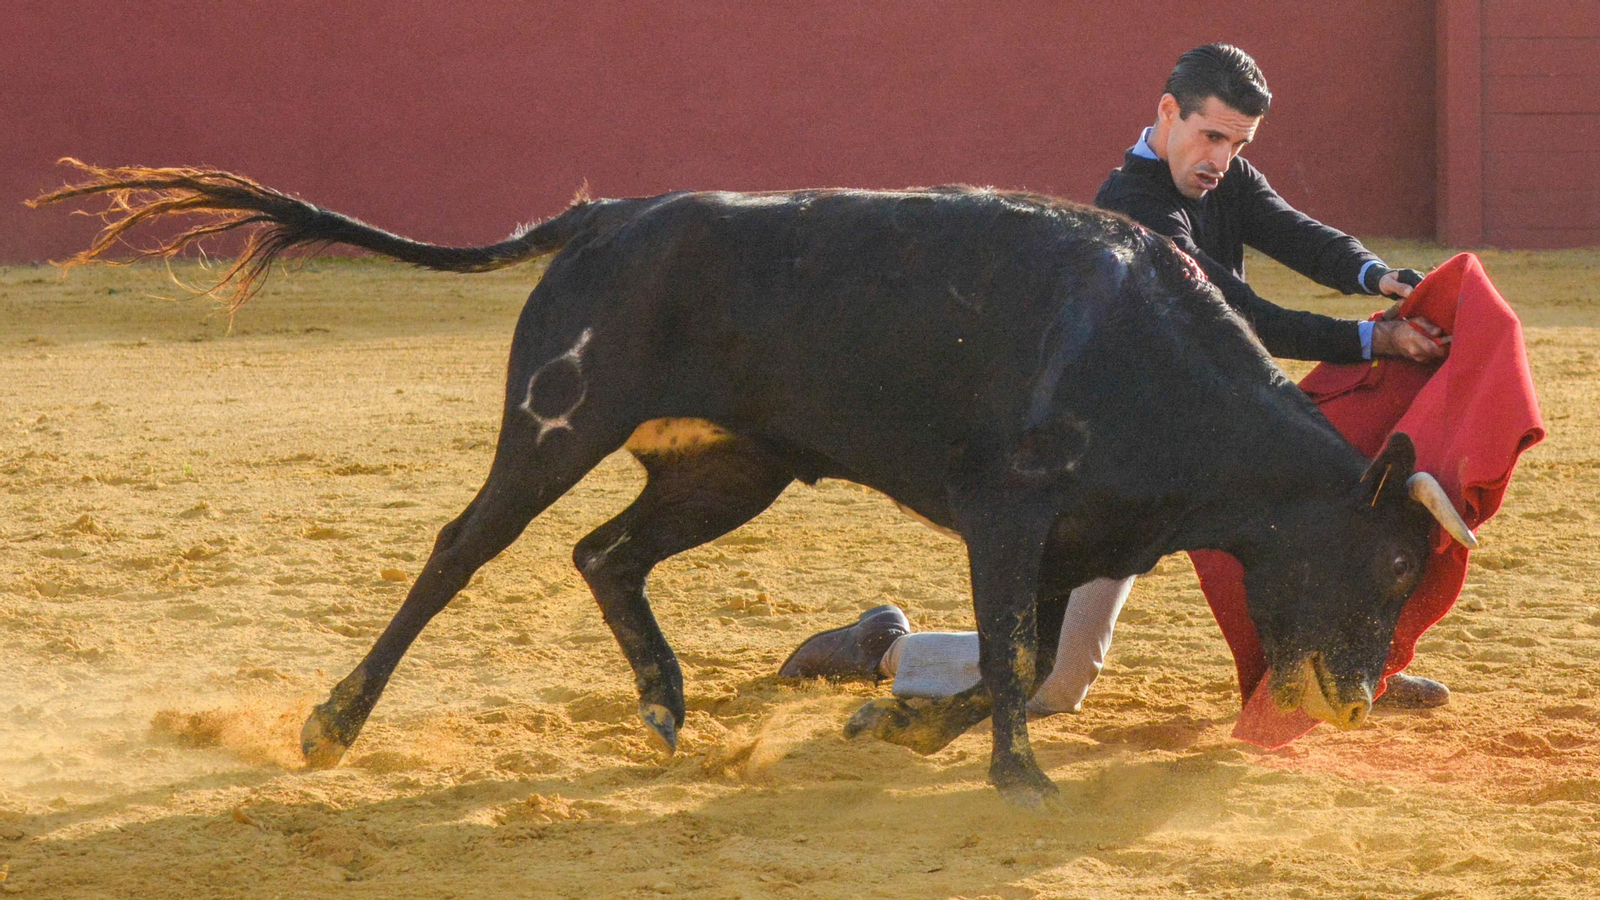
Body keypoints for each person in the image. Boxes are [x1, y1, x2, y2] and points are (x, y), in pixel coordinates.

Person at [778, 43, 1453, 714]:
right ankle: (883, 647)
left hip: (1198, 442)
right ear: (1169, 112)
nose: (1222, 159)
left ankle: (1349, 664)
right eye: (1212, 136)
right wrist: (1372, 339)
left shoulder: (1222, 178)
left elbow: (1298, 234)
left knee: (1314, 519)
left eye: (1238, 144)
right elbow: (1238, 313)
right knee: (1056, 682)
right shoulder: (1134, 208)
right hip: (1108, 470)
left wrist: (1378, 276)